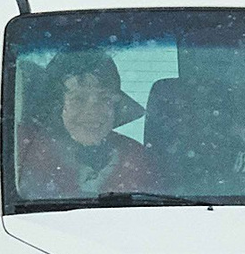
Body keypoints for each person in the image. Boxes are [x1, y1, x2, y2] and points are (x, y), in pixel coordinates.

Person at [15, 51, 161, 202]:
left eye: (104, 99)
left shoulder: (135, 158)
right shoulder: (21, 148)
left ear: (116, 107)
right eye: (78, 99)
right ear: (56, 106)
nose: (92, 111)